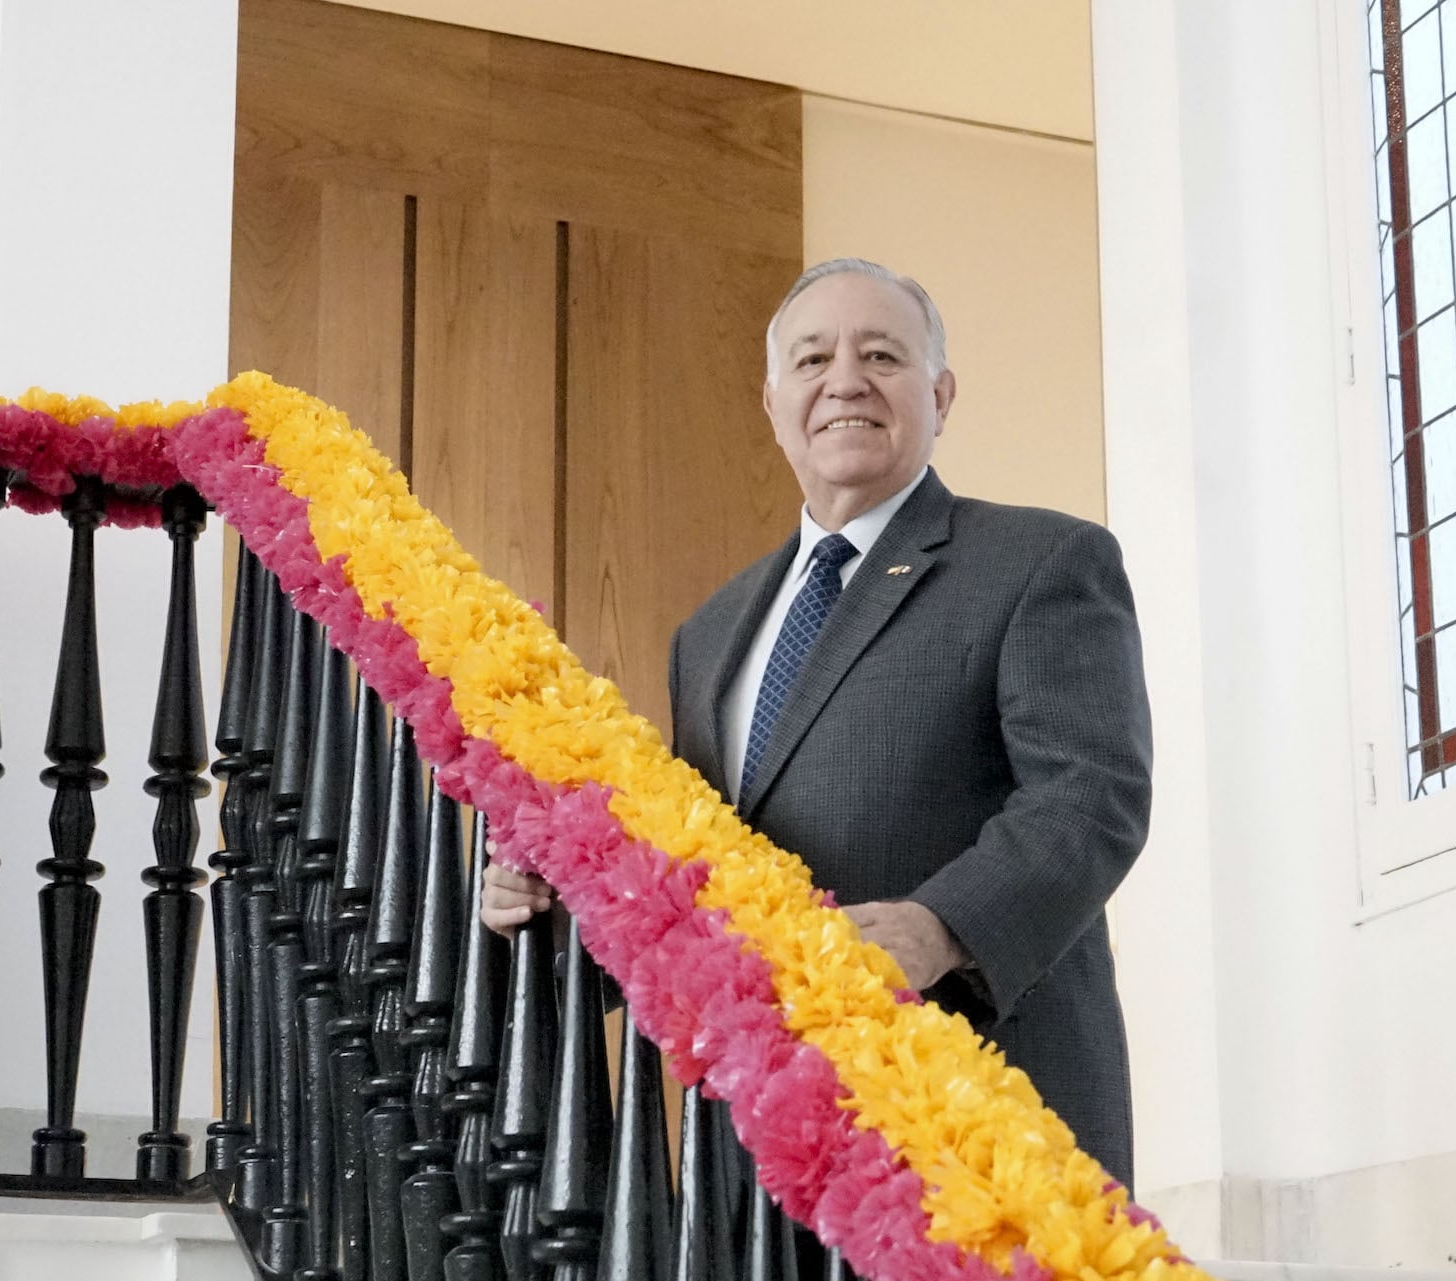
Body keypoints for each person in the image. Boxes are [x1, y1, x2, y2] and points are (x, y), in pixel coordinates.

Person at [482, 258, 1153, 1193]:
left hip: (976, 1117)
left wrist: (941, 927)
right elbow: (699, 868)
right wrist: (566, 907)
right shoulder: (709, 633)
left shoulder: (1042, 559)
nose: (845, 381)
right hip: (766, 1141)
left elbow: (1090, 798)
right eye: (812, 359)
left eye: (881, 355)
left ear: (940, 395)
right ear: (773, 404)